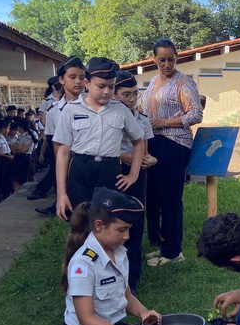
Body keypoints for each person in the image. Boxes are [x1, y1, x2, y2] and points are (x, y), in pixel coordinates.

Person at [50, 187, 163, 325]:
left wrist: (143, 312)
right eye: (122, 230)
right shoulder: (83, 264)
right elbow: (87, 319)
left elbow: (126, 294)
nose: (127, 236)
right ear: (99, 226)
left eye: (128, 230)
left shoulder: (119, 252)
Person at [53, 57, 144, 220]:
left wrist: (133, 175)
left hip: (109, 170)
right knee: (80, 220)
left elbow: (138, 142)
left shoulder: (120, 110)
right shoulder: (71, 110)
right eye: (101, 86)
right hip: (80, 170)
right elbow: (63, 152)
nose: (107, 91)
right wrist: (61, 193)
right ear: (86, 83)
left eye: (111, 86)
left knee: (108, 220)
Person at [141, 39, 203, 267]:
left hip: (175, 143)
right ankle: (161, 242)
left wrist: (165, 122)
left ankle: (173, 251)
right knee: (154, 196)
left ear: (177, 58)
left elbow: (196, 114)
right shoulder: (152, 81)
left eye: (171, 59)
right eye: (162, 60)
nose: (167, 64)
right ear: (154, 60)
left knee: (170, 198)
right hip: (153, 142)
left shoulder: (183, 82)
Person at [114, 70, 157, 293]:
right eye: (126, 94)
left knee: (135, 221)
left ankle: (132, 279)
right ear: (114, 95)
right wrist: (122, 156)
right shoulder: (109, 117)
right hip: (114, 171)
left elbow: (145, 152)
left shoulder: (142, 119)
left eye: (134, 94)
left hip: (137, 172)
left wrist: (147, 160)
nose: (131, 99)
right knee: (113, 221)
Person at [30, 58, 86, 210]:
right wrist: (62, 165)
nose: (78, 82)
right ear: (61, 80)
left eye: (82, 77)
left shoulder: (93, 105)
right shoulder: (54, 110)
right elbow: (54, 141)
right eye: (72, 77)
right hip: (66, 158)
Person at [0, 118, 15, 205]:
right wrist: (8, 156)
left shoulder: (3, 137)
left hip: (6, 159)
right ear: (3, 129)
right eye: (8, 128)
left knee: (6, 180)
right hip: (0, 160)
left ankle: (5, 199)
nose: (8, 130)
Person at [10, 118, 34, 192]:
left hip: (25, 158)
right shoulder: (20, 136)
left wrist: (18, 148)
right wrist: (18, 148)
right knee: (16, 177)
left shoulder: (28, 136)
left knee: (26, 177)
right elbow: (12, 147)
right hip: (18, 157)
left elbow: (24, 149)